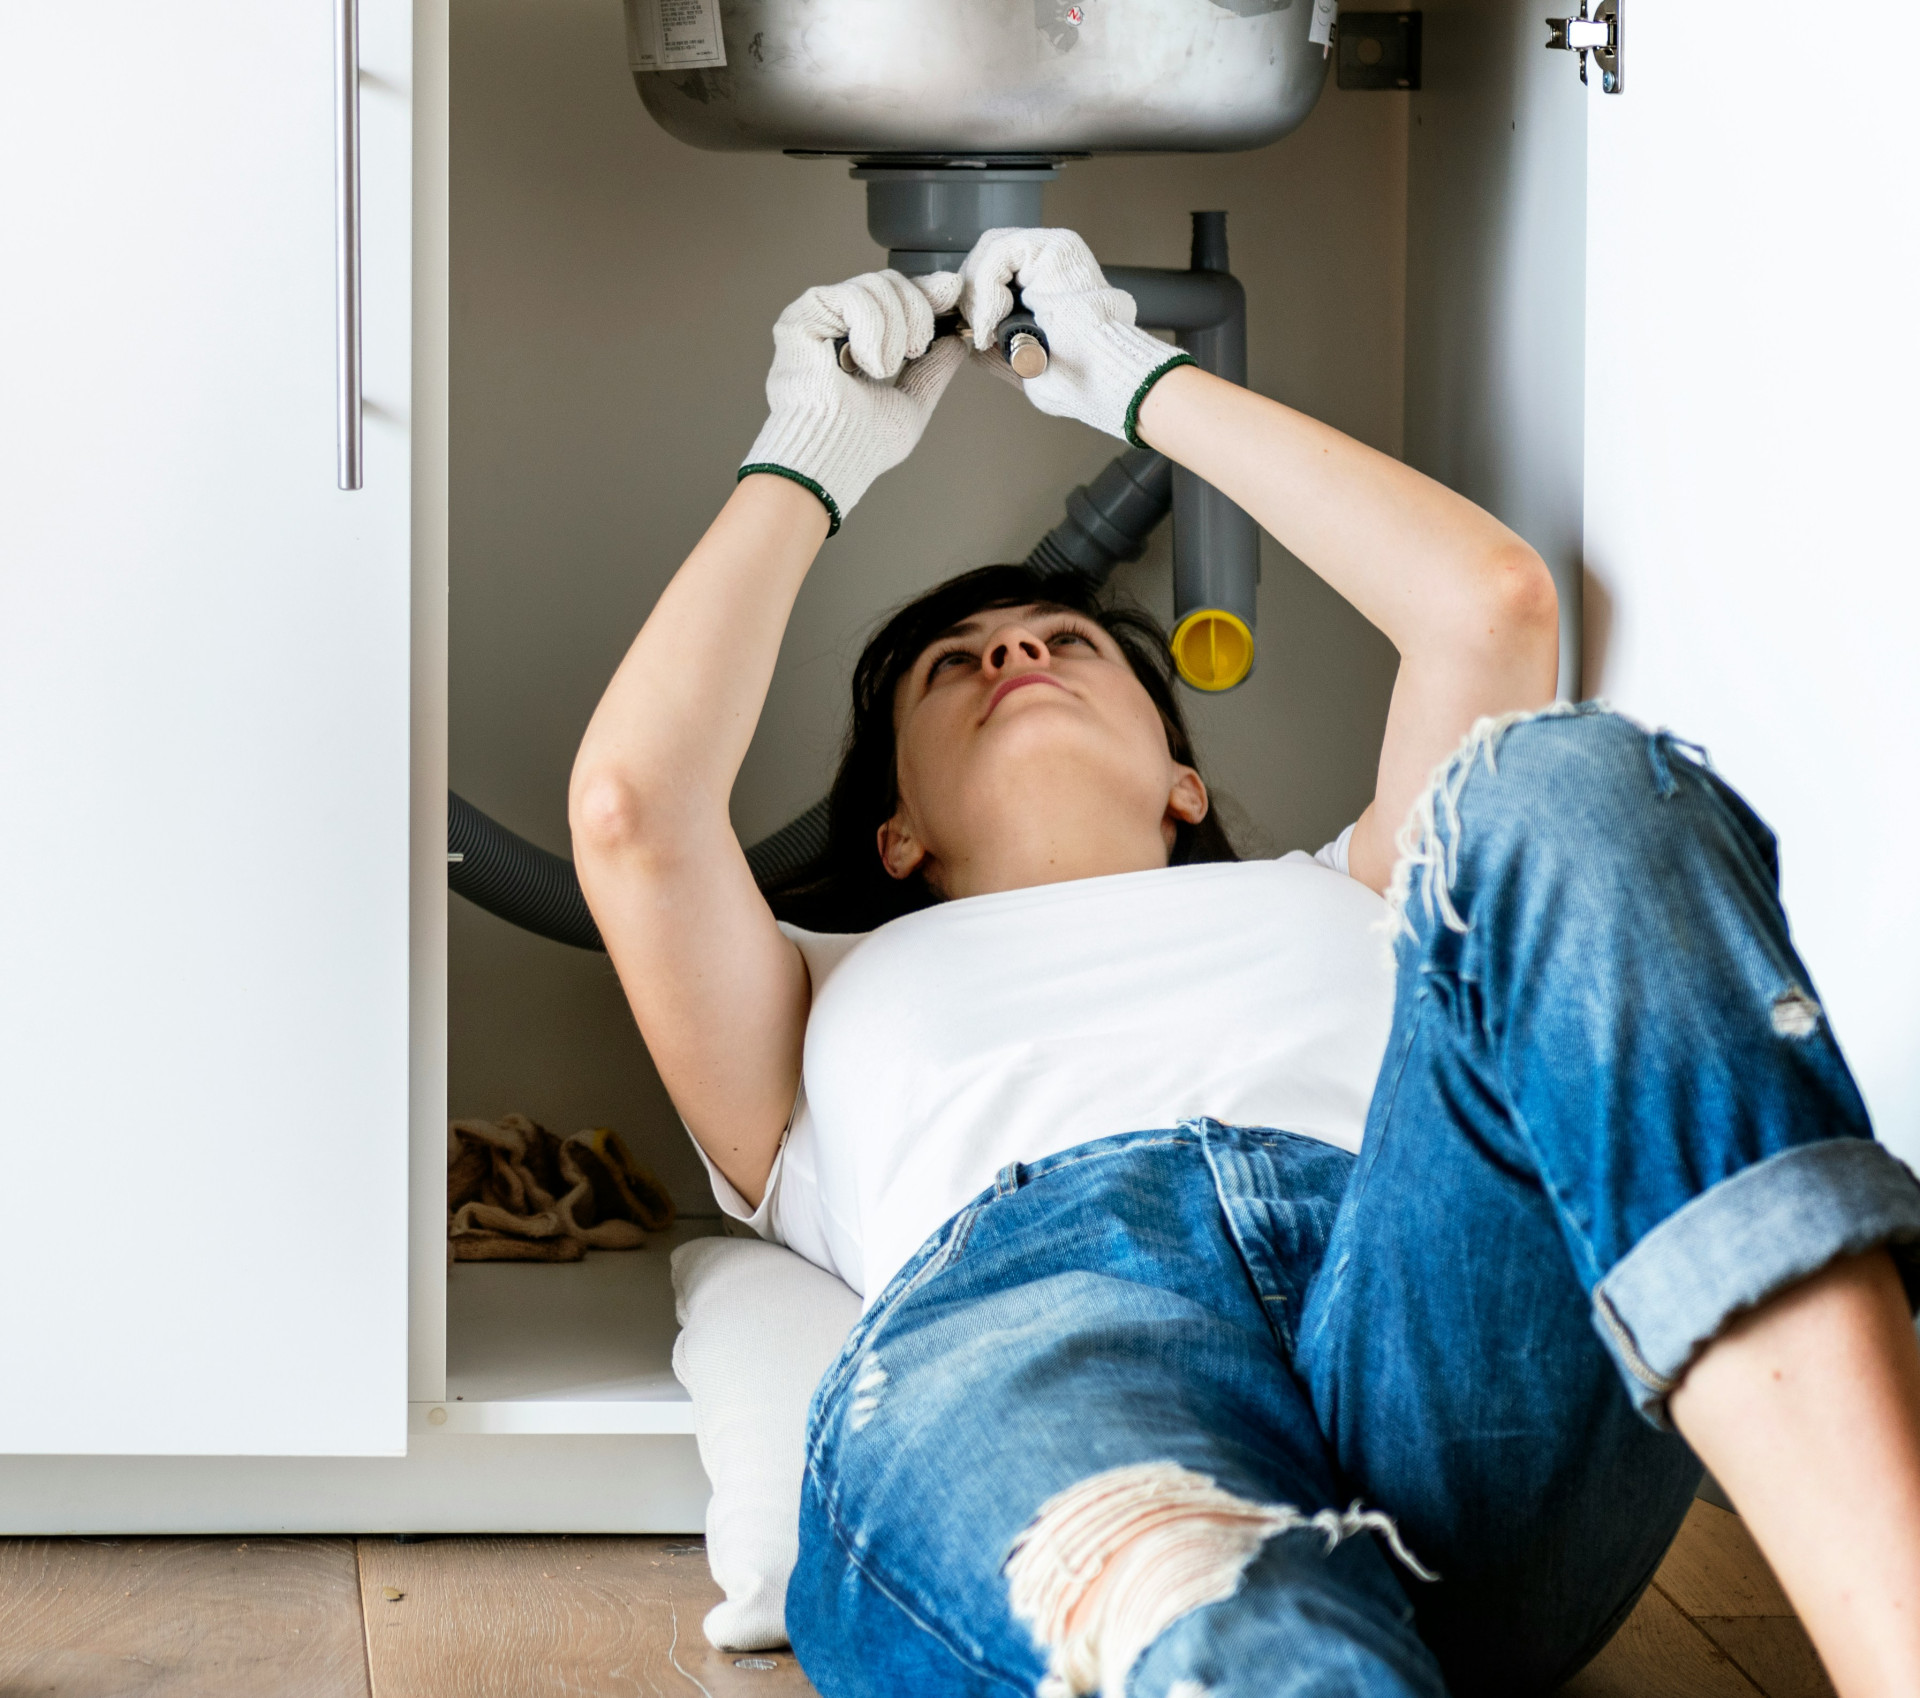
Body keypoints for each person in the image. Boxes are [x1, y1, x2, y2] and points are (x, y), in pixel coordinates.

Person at [569, 229, 1920, 1697]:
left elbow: (1491, 605)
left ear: (1183, 780)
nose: (1013, 655)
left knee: (1571, 779)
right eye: (955, 665)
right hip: (1048, 1343)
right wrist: (810, 456)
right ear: (896, 833)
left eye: (1067, 640)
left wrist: (1136, 382)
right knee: (1214, 1618)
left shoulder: (1358, 888)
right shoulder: (809, 992)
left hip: (1440, 1328)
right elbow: (633, 810)